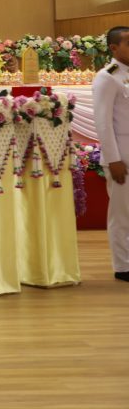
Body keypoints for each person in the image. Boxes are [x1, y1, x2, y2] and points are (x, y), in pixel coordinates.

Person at [93, 25, 129, 283]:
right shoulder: (107, 77)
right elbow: (103, 123)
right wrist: (114, 159)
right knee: (122, 214)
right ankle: (123, 266)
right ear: (114, 48)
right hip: (122, 156)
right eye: (128, 42)